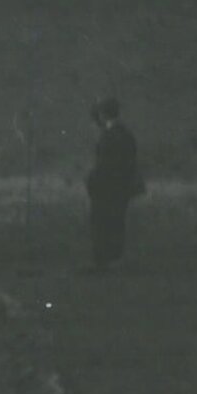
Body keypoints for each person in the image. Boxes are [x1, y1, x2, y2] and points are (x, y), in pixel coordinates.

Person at [84, 97, 144, 272]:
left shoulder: (108, 136)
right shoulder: (126, 135)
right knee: (116, 223)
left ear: (103, 115)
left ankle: (102, 261)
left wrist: (92, 181)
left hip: (106, 187)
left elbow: (103, 165)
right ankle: (113, 259)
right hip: (121, 187)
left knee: (101, 223)